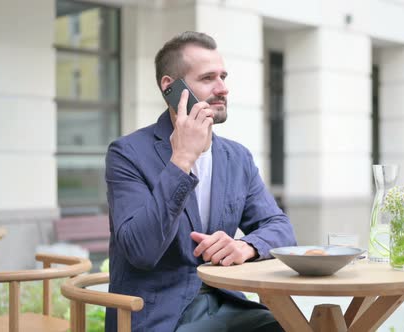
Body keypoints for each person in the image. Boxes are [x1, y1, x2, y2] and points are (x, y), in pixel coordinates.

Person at [104, 31, 296, 332]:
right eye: (208, 78)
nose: (223, 89)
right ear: (170, 87)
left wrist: (245, 246)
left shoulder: (237, 157)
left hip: (229, 303)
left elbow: (280, 228)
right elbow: (141, 250)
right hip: (159, 315)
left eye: (223, 76)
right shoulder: (127, 153)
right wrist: (181, 160)